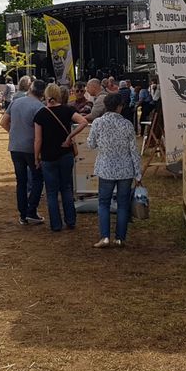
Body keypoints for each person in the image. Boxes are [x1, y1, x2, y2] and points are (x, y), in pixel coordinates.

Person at [87, 93, 142, 248]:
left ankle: (105, 237)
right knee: (123, 204)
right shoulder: (127, 125)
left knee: (103, 203)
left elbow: (91, 144)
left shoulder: (98, 123)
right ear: (120, 106)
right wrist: (138, 174)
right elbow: (134, 152)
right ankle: (120, 238)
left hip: (105, 168)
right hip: (125, 169)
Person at [34, 83, 89, 232]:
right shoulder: (68, 110)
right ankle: (70, 220)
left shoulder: (40, 114)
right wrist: (70, 136)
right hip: (65, 154)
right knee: (66, 188)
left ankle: (56, 225)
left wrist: (36, 157)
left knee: (51, 192)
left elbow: (38, 140)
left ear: (46, 95)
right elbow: (84, 122)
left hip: (47, 156)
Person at [0, 78, 46, 225]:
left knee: (21, 181)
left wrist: (13, 133)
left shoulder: (16, 102)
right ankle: (31, 210)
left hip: (15, 146)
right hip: (31, 147)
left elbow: (3, 122)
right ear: (43, 93)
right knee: (37, 179)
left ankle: (23, 213)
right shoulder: (40, 107)